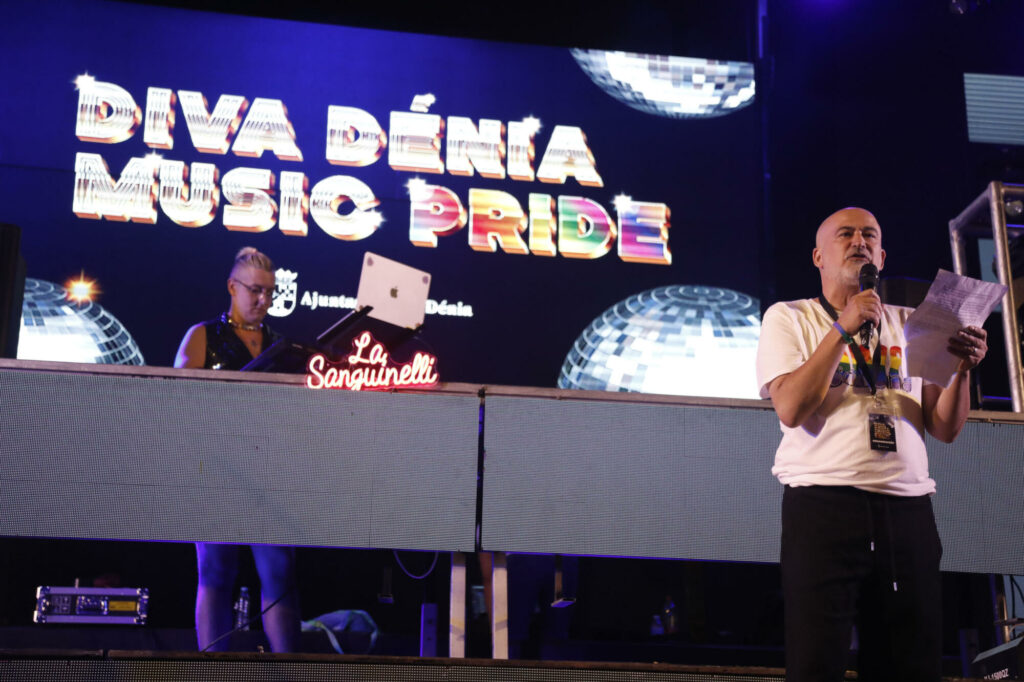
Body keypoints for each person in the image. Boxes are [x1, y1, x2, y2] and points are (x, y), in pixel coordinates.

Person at [755, 207, 988, 681]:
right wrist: (841, 328)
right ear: (818, 256)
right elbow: (792, 408)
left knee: (910, 664)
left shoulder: (913, 322)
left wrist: (963, 371)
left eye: (869, 235)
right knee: (817, 663)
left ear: (881, 257)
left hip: (907, 510)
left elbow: (944, 427)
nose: (859, 241)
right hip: (823, 506)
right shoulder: (789, 317)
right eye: (846, 234)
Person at [174, 246, 300, 652]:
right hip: (215, 470)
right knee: (215, 572)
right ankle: (213, 671)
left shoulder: (280, 344)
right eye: (255, 290)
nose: (263, 300)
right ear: (232, 287)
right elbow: (177, 400)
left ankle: (289, 672)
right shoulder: (202, 335)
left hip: (268, 473)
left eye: (269, 292)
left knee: (279, 575)